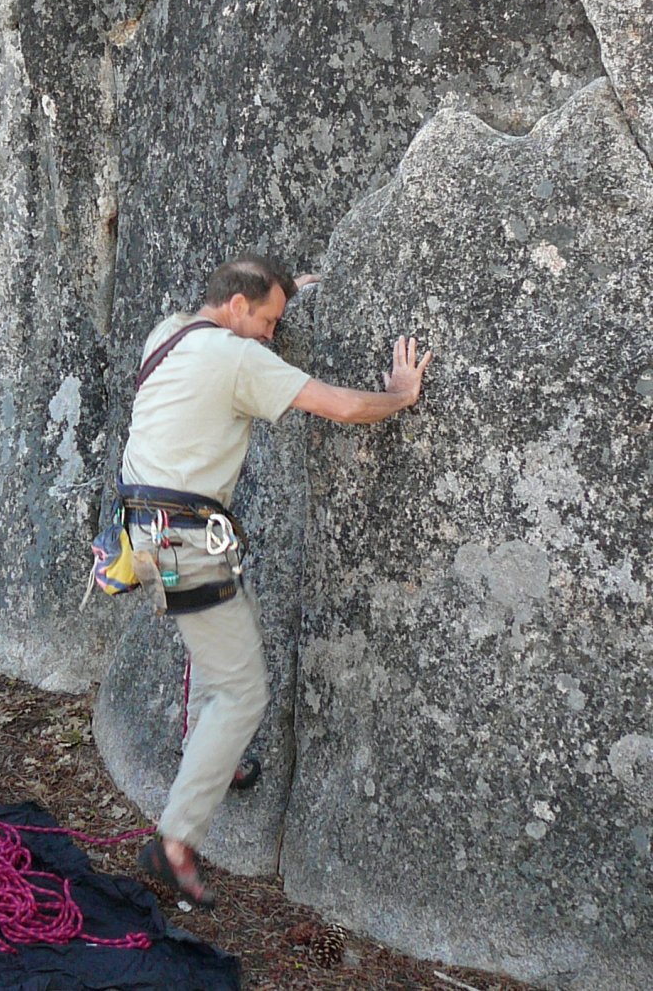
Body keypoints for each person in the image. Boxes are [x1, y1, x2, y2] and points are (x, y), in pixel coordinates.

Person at [123, 253, 431, 908]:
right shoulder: (240, 359)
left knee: (223, 646)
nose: (270, 333)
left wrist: (293, 292)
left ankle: (214, 752)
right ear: (238, 307)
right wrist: (402, 395)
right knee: (243, 692)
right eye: (267, 320)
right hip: (186, 538)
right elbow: (342, 405)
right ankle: (173, 842)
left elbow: (248, 305)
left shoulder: (169, 332)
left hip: (146, 535)